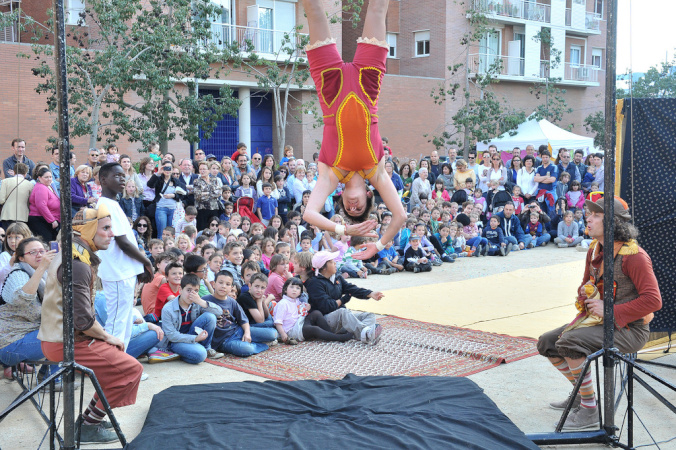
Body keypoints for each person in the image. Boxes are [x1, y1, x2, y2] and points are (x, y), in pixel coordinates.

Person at [537, 196, 661, 430]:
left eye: (596, 215)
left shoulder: (634, 255)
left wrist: (609, 309)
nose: (588, 217)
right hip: (601, 322)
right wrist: (585, 293)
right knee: (547, 342)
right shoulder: (595, 249)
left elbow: (654, 301)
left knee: (570, 342)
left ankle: (589, 410)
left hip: (630, 330)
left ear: (613, 223)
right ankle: (583, 396)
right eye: (590, 213)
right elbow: (585, 283)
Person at [301, 0, 406, 258]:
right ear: (370, 195)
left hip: (330, 87)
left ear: (342, 198)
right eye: (360, 209)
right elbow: (400, 215)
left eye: (350, 209)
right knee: (378, 8)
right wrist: (379, 246)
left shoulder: (331, 174)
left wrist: (343, 228)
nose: (354, 206)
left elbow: (309, 213)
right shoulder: (377, 172)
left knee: (313, 9)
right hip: (367, 86)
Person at [39, 205, 143, 444]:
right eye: (105, 228)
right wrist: (108, 336)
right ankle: (88, 427)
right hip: (66, 342)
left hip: (62, 338)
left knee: (117, 366)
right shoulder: (77, 264)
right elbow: (83, 320)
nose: (111, 233)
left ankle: (88, 421)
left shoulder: (73, 254)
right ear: (88, 231)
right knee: (131, 370)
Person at [97, 163, 154, 349]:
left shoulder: (112, 203)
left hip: (124, 270)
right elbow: (123, 243)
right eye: (117, 176)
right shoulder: (106, 205)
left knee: (125, 321)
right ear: (103, 180)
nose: (123, 179)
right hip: (118, 272)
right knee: (117, 323)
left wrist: (138, 267)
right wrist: (147, 262)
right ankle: (112, 368)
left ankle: (122, 366)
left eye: (124, 176)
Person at [0, 238, 58, 380]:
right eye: (33, 252)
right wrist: (42, 267)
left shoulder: (43, 274)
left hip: (22, 337)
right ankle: (52, 378)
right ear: (21, 258)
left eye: (41, 251)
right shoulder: (18, 273)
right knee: (65, 336)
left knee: (66, 329)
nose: (39, 255)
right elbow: (22, 298)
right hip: (9, 344)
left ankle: (47, 374)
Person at [304, 251, 384, 344]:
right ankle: (366, 334)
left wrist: (370, 293)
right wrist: (342, 300)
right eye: (331, 262)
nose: (335, 263)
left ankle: (362, 334)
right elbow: (326, 306)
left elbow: (351, 288)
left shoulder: (336, 277)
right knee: (343, 312)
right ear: (323, 267)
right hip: (325, 320)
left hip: (340, 318)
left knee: (369, 315)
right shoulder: (315, 283)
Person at [159, 273, 224, 364]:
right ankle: (183, 353)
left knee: (210, 316)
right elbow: (171, 335)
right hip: (176, 341)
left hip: (192, 336)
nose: (192, 294)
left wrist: (201, 301)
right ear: (180, 290)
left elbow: (219, 312)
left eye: (196, 291)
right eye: (189, 290)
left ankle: (206, 348)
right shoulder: (168, 308)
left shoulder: (197, 302)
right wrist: (195, 338)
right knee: (200, 355)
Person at [207, 271, 269, 357]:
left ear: (231, 287)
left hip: (237, 331)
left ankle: (252, 341)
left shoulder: (232, 301)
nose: (223, 286)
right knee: (247, 349)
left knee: (273, 334)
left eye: (228, 284)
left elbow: (243, 320)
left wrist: (247, 333)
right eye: (220, 283)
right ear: (214, 284)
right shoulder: (205, 300)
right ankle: (260, 345)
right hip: (224, 341)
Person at [274, 277, 352, 345]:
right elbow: (278, 322)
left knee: (316, 313)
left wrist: (306, 308)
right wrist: (283, 334)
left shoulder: (295, 300)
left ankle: (330, 334)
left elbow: (298, 312)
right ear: (285, 290)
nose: (294, 290)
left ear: (300, 292)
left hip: (299, 323)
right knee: (314, 329)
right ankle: (339, 338)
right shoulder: (283, 303)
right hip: (291, 331)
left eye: (297, 288)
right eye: (291, 287)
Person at [148, 162, 183, 238]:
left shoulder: (175, 181)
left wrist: (173, 195)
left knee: (171, 233)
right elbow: (150, 184)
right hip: (161, 208)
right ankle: (160, 249)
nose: (167, 170)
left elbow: (181, 194)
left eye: (169, 168)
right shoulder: (159, 179)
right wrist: (158, 173)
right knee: (162, 232)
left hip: (173, 209)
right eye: (165, 168)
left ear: (172, 169)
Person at [27, 167, 60, 243]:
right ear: (39, 178)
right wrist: (52, 220)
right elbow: (41, 205)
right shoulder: (41, 188)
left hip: (46, 220)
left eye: (50, 177)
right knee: (46, 242)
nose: (49, 179)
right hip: (40, 220)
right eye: (46, 177)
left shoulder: (48, 186)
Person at [0, 162, 33, 228]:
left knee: (8, 236)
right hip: (23, 216)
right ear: (26, 173)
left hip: (7, 214)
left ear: (14, 172)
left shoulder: (5, 181)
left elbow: (1, 200)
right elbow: (30, 202)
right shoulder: (30, 185)